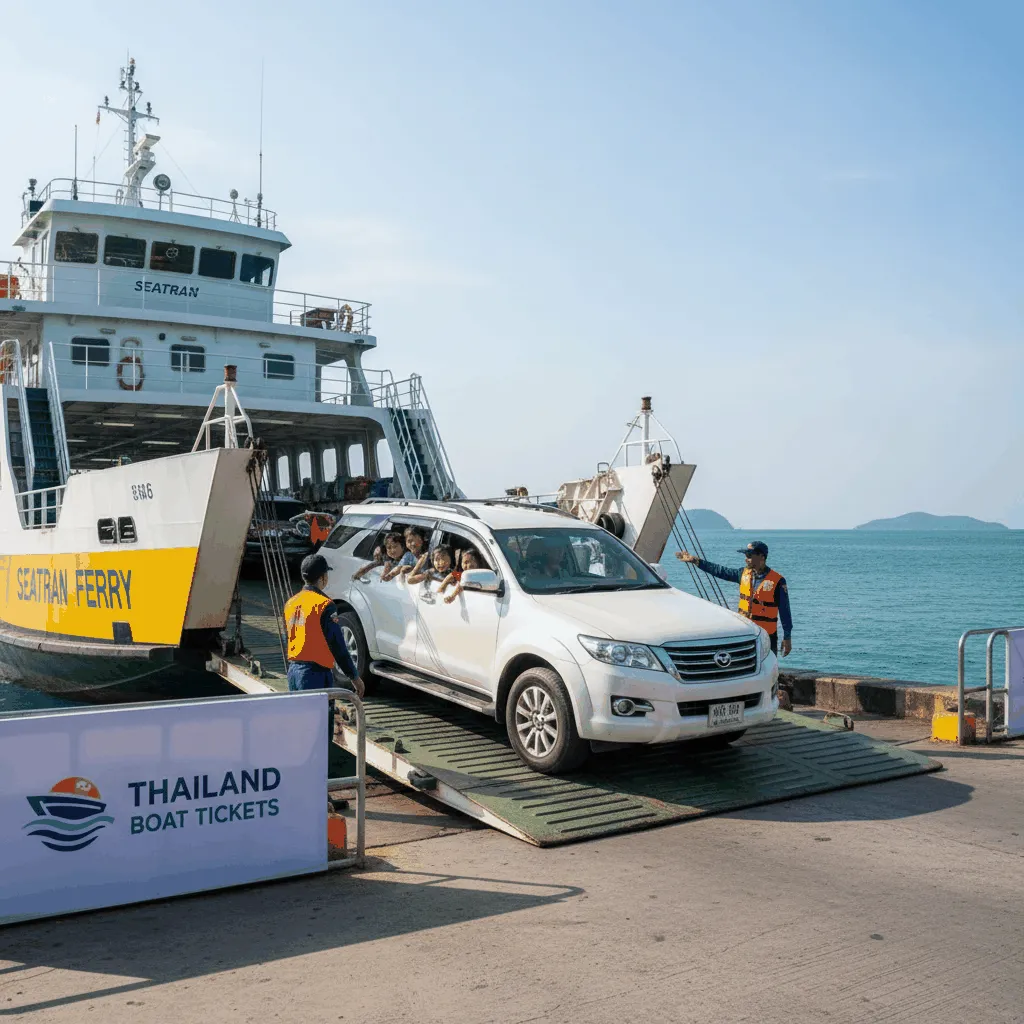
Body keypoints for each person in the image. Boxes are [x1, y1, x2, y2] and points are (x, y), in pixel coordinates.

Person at [677, 540, 792, 657]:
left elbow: (785, 611)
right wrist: (696, 561)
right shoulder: (742, 574)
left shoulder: (777, 581)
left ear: (761, 557)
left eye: (749, 555)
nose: (746, 559)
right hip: (746, 632)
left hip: (767, 635)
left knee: (769, 667)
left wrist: (787, 637)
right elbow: (719, 571)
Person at [284, 553, 363, 693]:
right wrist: (354, 677)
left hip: (293, 671)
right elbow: (337, 643)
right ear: (323, 578)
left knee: (299, 714)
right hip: (314, 674)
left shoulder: (291, 603)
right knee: (320, 714)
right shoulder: (325, 605)